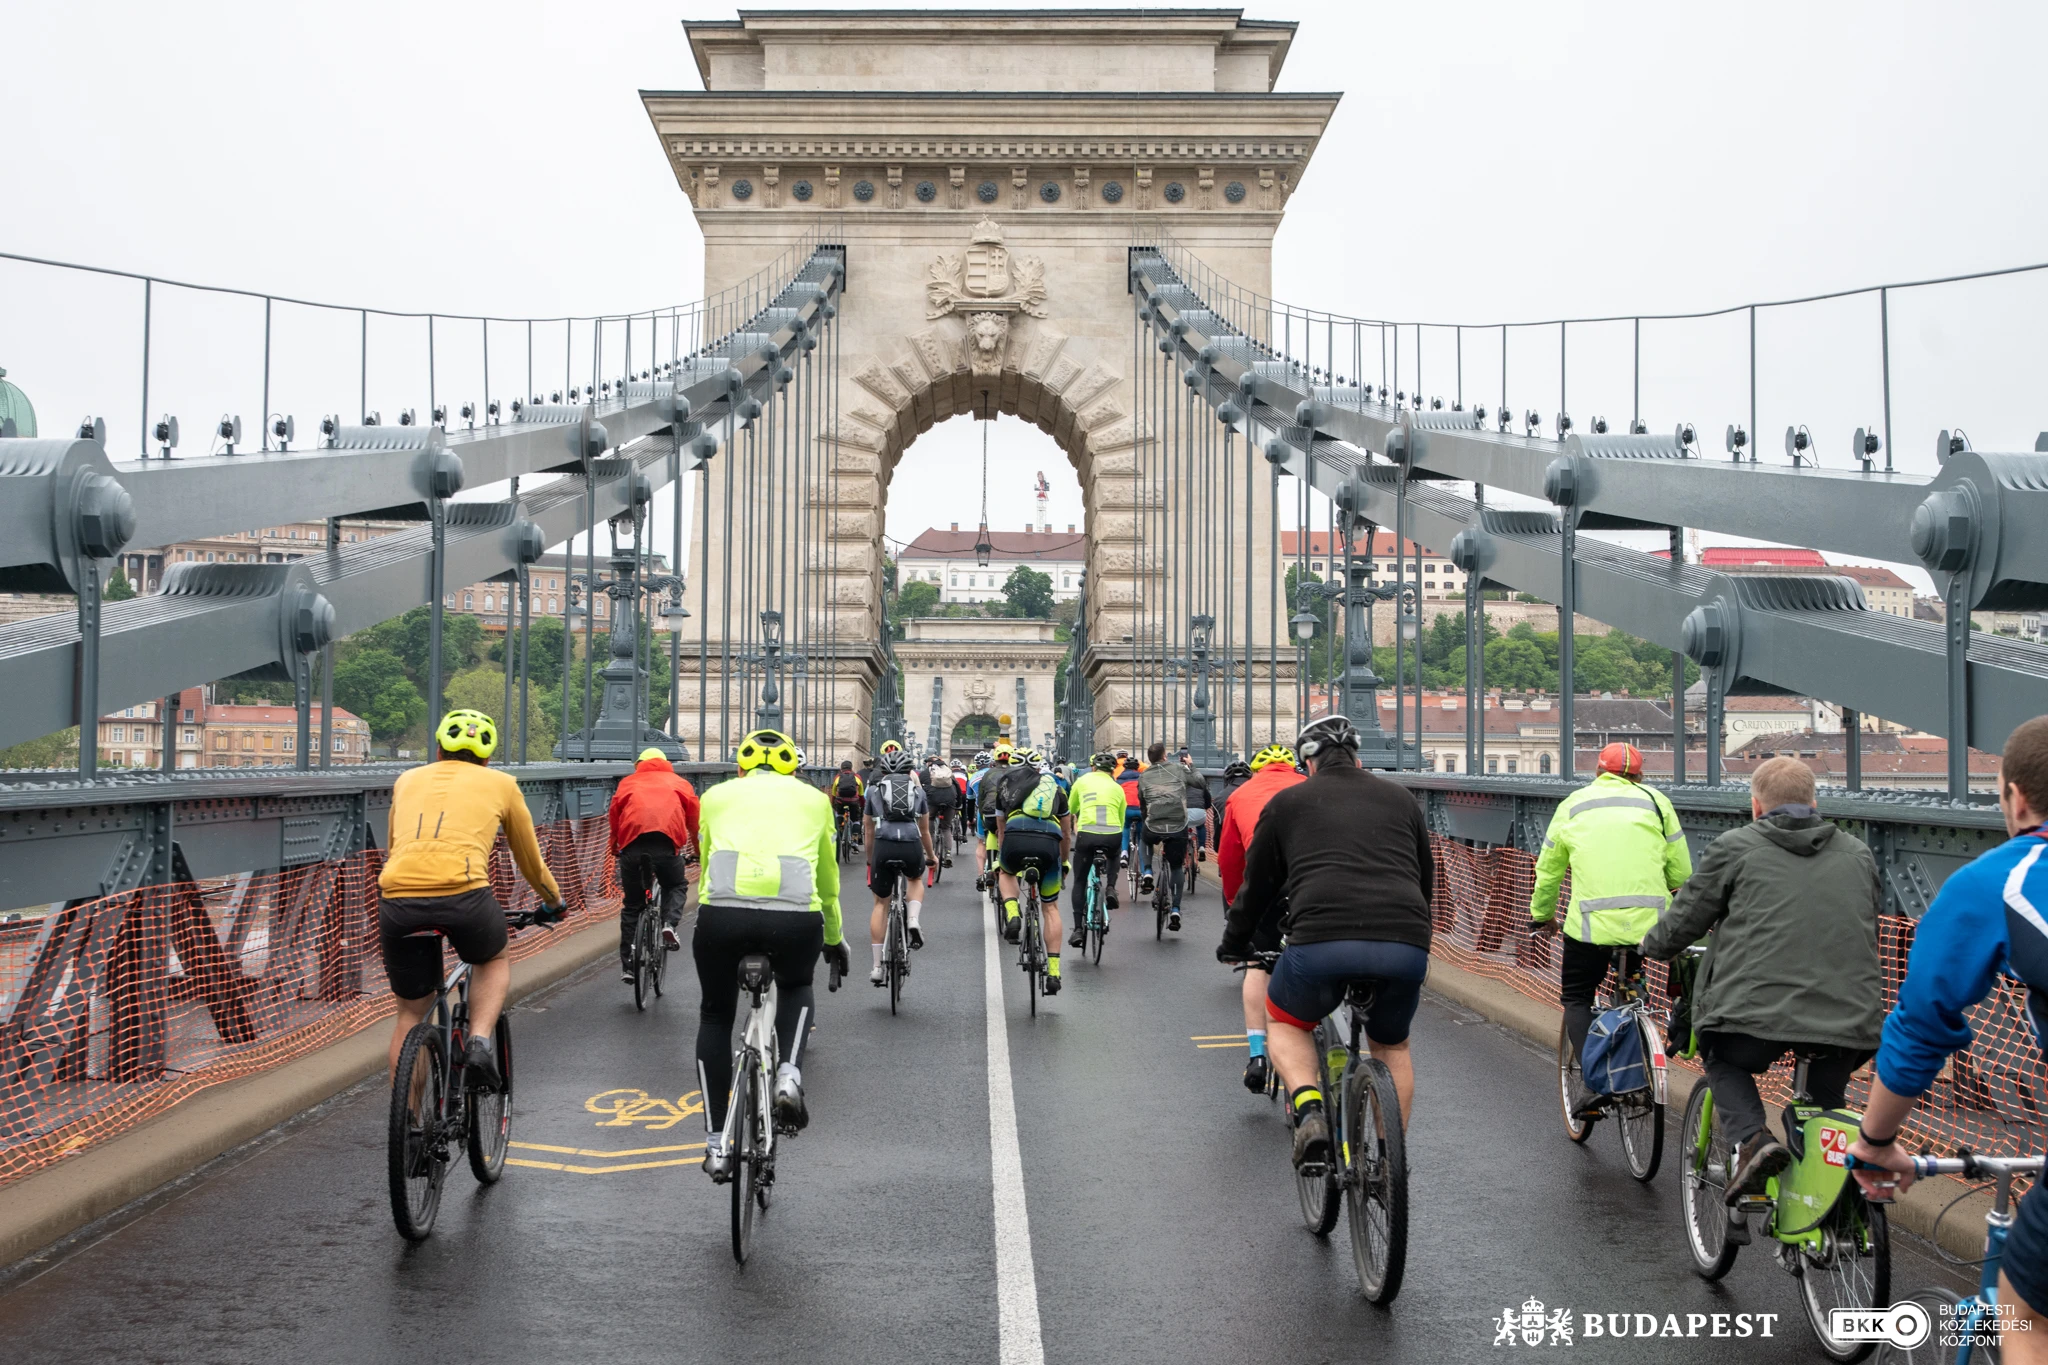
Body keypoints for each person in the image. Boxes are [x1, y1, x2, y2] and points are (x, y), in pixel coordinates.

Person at [1849, 716, 2048, 1359]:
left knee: (2023, 1313)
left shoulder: (2006, 878)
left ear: (2015, 797)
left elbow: (1921, 1024)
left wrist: (1876, 1143)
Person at [1639, 756, 1884, 1201]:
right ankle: (1828, 1202)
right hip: (1852, 1019)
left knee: (1721, 1055)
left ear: (1755, 806)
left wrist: (1649, 946)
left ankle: (1753, 1139)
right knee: (1822, 1105)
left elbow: (1686, 921)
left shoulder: (1735, 847)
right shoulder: (1858, 852)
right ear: (1814, 802)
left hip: (1752, 1018)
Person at [1218, 715, 1434, 1169]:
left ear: (1308, 763)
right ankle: (1388, 1160)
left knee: (1287, 1022)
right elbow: (1423, 876)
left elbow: (1257, 886)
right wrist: (1415, 936)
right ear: (1358, 757)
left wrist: (1235, 940)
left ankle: (1310, 1109)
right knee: (1392, 1046)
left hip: (1320, 940)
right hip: (1404, 939)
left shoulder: (1289, 802)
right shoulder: (1401, 798)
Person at [378, 709, 564, 1090]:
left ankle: (411, 1131)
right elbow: (528, 859)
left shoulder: (407, 779)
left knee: (411, 1016)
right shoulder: (502, 784)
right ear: (487, 757)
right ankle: (479, 1041)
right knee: (492, 958)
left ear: (439, 749)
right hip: (465, 895)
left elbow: (395, 844)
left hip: (399, 898)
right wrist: (553, 902)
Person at [695, 729, 849, 1179]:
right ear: (792, 767)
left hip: (721, 917)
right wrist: (834, 938)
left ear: (741, 766)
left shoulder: (715, 796)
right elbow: (827, 879)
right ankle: (787, 1076)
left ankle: (715, 1144)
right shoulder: (815, 801)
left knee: (715, 1017)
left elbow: (706, 862)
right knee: (797, 984)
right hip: (795, 920)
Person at [1529, 741, 1693, 1118]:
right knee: (1635, 981)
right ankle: (1640, 1035)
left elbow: (1549, 871)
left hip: (1591, 927)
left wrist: (1542, 916)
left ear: (1598, 772)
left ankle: (1593, 1083)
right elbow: (1681, 872)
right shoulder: (1655, 801)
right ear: (1639, 775)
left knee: (1576, 997)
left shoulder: (1573, 804)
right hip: (1648, 924)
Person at [1216, 744, 1304, 1093]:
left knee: (1256, 964)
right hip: (1313, 883)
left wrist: (1237, 908)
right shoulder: (1310, 787)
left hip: (1266, 886)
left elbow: (1228, 860)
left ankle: (1257, 1057)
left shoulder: (1241, 794)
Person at [607, 746, 701, 982]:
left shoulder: (628, 783)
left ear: (639, 764)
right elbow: (694, 822)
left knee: (633, 905)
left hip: (632, 848)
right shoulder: (680, 783)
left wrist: (614, 846)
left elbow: (615, 815)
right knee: (676, 885)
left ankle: (628, 966)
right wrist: (698, 851)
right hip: (666, 846)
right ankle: (669, 924)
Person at [993, 745, 1073, 994]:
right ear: (1041, 768)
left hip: (1016, 838)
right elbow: (1067, 833)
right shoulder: (1056, 790)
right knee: (1050, 908)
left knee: (1005, 873)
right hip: (1049, 843)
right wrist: (1064, 861)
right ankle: (1054, 971)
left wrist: (1007, 857)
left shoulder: (1005, 787)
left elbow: (1001, 830)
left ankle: (1013, 912)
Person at [866, 748, 936, 984]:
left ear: (882, 771)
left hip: (883, 845)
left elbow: (867, 829)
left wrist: (870, 858)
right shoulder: (917, 792)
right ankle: (913, 918)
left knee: (880, 904)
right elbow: (925, 830)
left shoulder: (874, 791)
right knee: (915, 880)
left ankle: (877, 966)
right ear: (909, 772)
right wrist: (931, 855)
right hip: (910, 843)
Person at [1066, 751, 1129, 945]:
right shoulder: (1117, 788)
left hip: (1087, 834)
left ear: (1093, 767)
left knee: (1080, 880)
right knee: (1114, 853)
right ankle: (1110, 887)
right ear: (1112, 770)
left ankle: (1077, 929)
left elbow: (1071, 808)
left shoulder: (1082, 781)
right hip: (1111, 834)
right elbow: (1121, 818)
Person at [1135, 740, 1192, 930]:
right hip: (1177, 825)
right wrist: (1190, 766)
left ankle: (1148, 872)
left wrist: (1146, 817)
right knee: (1176, 867)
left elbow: (1142, 800)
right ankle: (1175, 908)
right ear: (1165, 756)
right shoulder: (1178, 770)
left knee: (1144, 839)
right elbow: (1199, 782)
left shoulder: (1144, 776)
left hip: (1154, 825)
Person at [1181, 749, 1215, 884]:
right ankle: (1201, 847)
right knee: (1201, 825)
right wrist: (1204, 808)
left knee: (1182, 828)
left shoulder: (1180, 784)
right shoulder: (1200, 784)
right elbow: (1207, 801)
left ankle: (1183, 851)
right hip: (1199, 813)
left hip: (1184, 815)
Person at [830, 759, 865, 848]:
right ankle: (854, 841)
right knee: (856, 820)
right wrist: (862, 805)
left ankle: (840, 836)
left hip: (840, 801)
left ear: (841, 769)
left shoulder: (837, 777)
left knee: (839, 815)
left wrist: (833, 804)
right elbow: (861, 794)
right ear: (851, 768)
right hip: (854, 802)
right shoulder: (857, 777)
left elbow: (833, 793)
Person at [1118, 755, 1144, 869]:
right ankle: (1145, 871)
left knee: (1126, 828)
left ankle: (1124, 853)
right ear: (1137, 768)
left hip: (1127, 809)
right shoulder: (1143, 778)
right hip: (1140, 809)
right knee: (1141, 837)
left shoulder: (1119, 779)